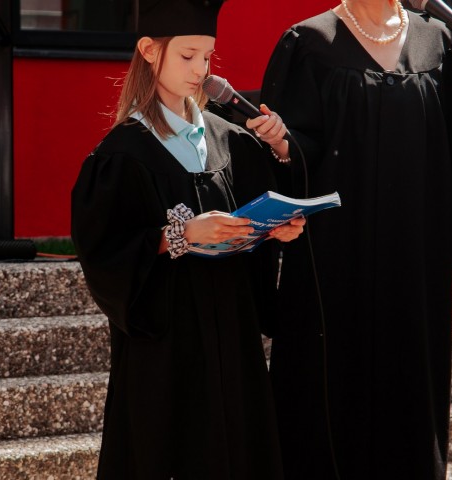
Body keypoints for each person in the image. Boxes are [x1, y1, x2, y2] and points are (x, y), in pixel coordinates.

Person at [258, 1, 452, 479]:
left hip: (417, 257)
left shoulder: (438, 42)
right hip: (331, 259)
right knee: (328, 396)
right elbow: (291, 156)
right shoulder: (310, 43)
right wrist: (283, 146)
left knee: (411, 391)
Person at [70, 0, 303, 478]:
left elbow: (260, 213)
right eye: (188, 56)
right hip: (167, 348)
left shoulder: (230, 139)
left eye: (208, 57)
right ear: (149, 51)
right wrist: (178, 235)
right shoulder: (122, 153)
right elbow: (104, 254)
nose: (202, 70)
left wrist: (274, 228)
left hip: (233, 340)